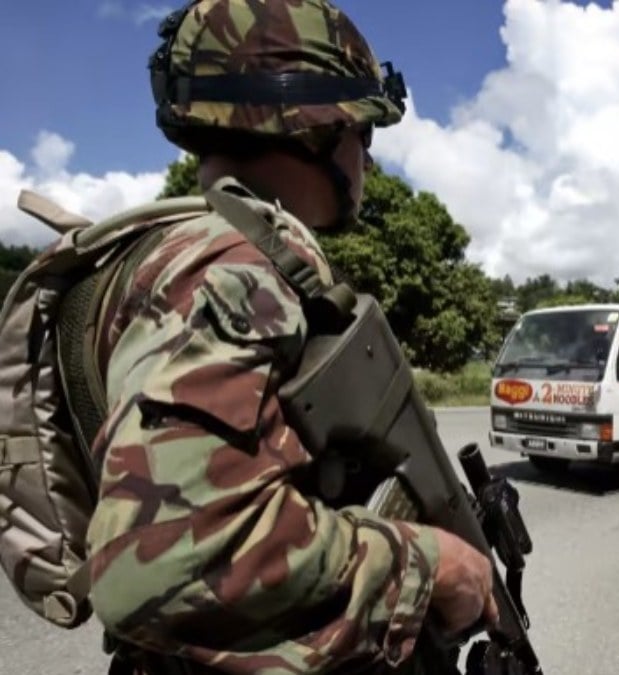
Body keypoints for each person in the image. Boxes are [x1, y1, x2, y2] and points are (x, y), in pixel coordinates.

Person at [79, 2, 495, 672]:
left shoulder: (156, 256)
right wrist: (429, 565)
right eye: (363, 130)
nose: (367, 156)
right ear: (315, 126)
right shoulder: (233, 271)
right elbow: (160, 564)